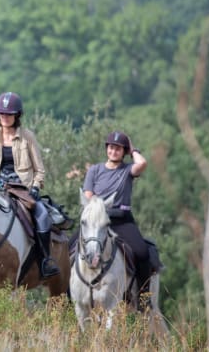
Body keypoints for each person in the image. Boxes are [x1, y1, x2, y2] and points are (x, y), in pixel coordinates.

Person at [0, 91, 60, 279]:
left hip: (21, 189)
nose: (5, 117)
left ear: (17, 115)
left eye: (9, 114)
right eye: (2, 114)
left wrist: (36, 187)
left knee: (42, 215)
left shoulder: (27, 137)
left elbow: (40, 170)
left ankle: (46, 260)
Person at [81, 131, 152, 307]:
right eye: (111, 148)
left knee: (142, 252)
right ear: (107, 149)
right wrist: (98, 211)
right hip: (97, 221)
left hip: (122, 220)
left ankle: (143, 298)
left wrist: (133, 150)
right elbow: (88, 195)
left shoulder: (128, 170)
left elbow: (142, 163)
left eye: (119, 149)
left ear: (124, 152)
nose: (114, 151)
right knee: (70, 249)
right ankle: (69, 295)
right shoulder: (95, 170)